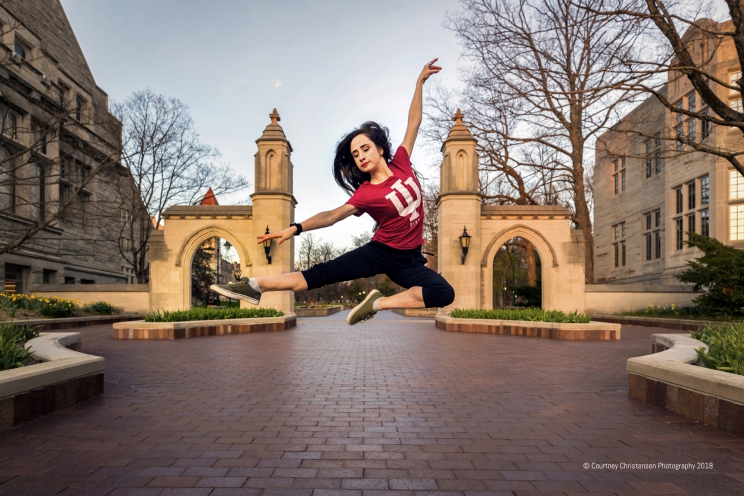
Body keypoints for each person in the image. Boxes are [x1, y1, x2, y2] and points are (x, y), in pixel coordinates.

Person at [210, 58, 455, 325]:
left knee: (444, 292)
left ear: (380, 149)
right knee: (321, 273)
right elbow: (332, 215)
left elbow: (414, 121)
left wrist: (419, 82)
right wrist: (296, 227)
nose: (360, 156)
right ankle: (254, 286)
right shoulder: (366, 193)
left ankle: (378, 303)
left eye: (365, 148)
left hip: (410, 259)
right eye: (355, 153)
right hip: (381, 251)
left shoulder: (402, 163)